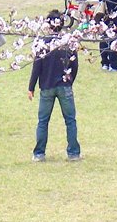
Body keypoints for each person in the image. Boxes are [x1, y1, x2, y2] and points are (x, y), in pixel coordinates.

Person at [27, 10, 81, 161]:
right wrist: (70, 81)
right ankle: (73, 153)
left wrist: (31, 87)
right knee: (70, 120)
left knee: (43, 121)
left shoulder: (41, 43)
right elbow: (74, 65)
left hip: (46, 86)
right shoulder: (68, 42)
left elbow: (36, 67)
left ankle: (39, 153)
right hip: (64, 85)